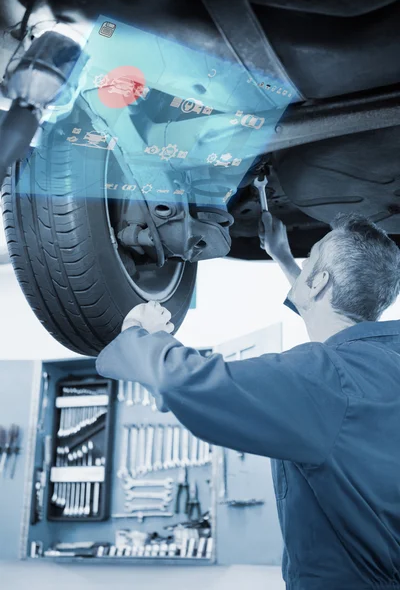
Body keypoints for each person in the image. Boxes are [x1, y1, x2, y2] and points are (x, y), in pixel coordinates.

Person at [96, 212, 400, 590]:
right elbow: (339, 318)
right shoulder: (384, 364)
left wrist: (141, 333)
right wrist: (286, 260)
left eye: (312, 260)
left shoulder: (324, 379)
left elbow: (183, 382)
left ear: (319, 283)